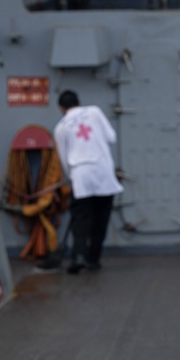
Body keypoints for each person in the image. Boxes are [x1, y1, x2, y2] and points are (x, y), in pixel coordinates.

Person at [53, 90, 123, 274]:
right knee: (101, 219)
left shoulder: (61, 127)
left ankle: (79, 256)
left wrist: (71, 178)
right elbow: (112, 137)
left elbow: (63, 158)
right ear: (80, 101)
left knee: (81, 219)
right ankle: (94, 259)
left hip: (81, 175)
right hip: (103, 172)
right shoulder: (94, 112)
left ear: (62, 108)